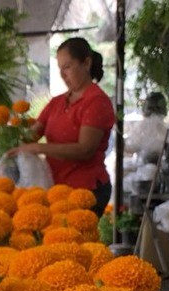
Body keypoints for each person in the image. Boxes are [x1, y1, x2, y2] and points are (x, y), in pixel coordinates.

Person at [9, 37, 117, 214]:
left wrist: (39, 148)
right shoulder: (57, 102)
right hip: (56, 188)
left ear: (86, 63)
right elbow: (32, 135)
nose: (63, 74)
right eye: (60, 69)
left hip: (86, 189)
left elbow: (85, 150)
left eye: (67, 67)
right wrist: (13, 137)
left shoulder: (96, 101)